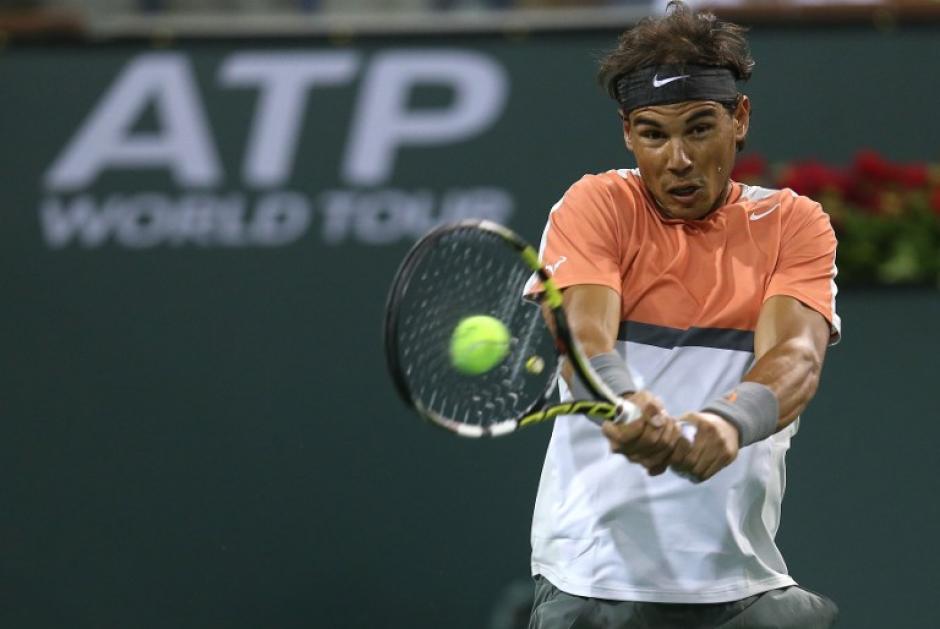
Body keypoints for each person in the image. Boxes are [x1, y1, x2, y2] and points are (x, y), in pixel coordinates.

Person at [525, 2, 841, 627]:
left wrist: (726, 425)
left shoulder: (793, 224)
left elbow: (797, 358)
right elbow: (584, 337)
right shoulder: (596, 205)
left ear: (739, 119)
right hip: (593, 582)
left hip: (744, 587)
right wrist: (622, 400)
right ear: (626, 133)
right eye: (653, 134)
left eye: (699, 128)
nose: (677, 159)